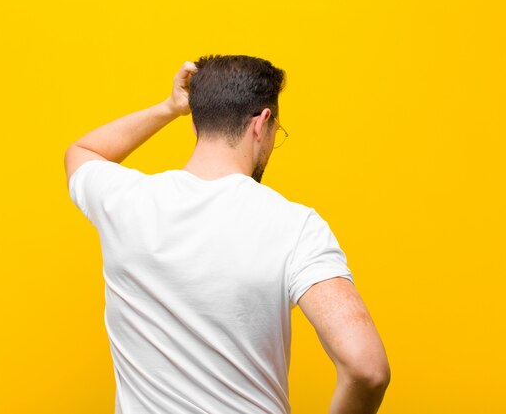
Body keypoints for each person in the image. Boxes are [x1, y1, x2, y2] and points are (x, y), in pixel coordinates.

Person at [65, 54, 390, 414]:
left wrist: (169, 107)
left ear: (196, 124)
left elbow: (83, 151)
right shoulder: (295, 226)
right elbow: (367, 369)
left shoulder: (126, 201)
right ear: (262, 123)